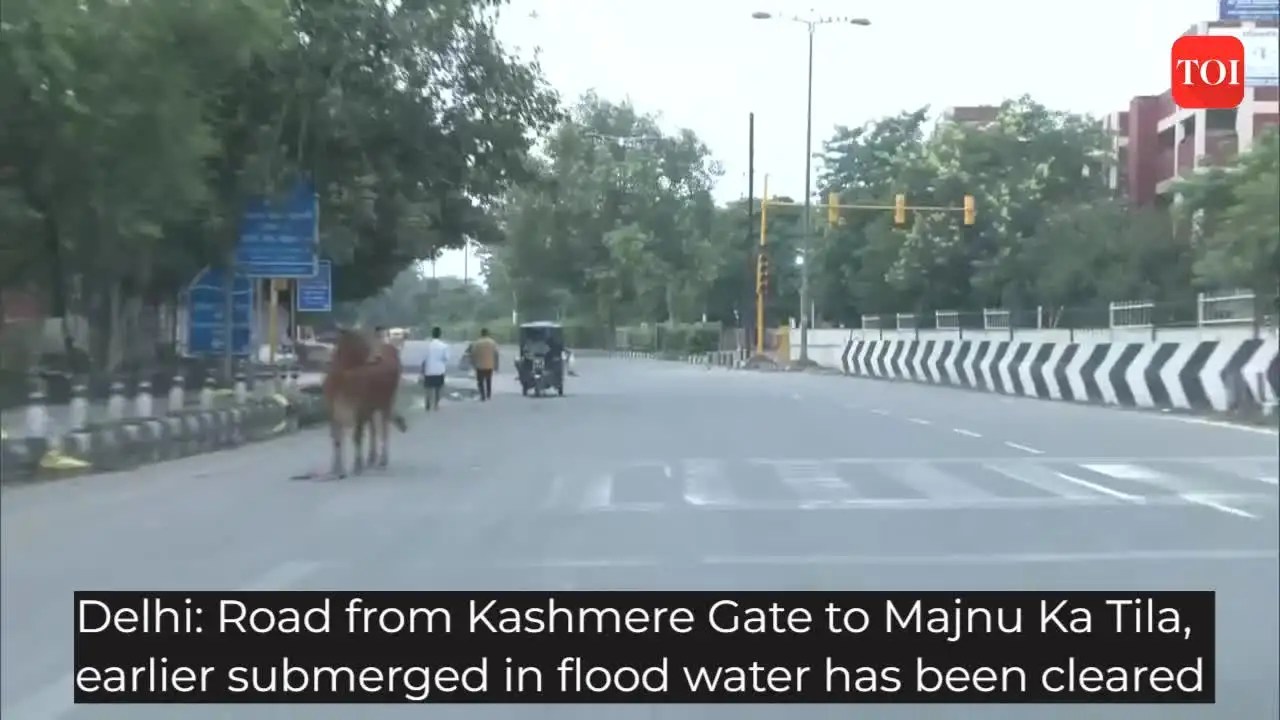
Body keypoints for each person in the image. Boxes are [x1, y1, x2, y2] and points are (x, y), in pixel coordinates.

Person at [420, 326, 450, 411]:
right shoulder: (444, 346)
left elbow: (423, 358)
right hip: (439, 370)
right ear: (440, 334)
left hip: (429, 369)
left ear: (432, 334)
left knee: (428, 388)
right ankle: (436, 404)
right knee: (438, 388)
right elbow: (446, 358)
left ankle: (427, 403)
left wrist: (422, 370)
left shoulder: (428, 346)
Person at [468, 327, 499, 401]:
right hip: (489, 365)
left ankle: (482, 395)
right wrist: (496, 365)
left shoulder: (477, 343)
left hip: (479, 365)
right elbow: (496, 354)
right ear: (488, 333)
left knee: (480, 381)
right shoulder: (492, 342)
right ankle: (488, 394)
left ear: (481, 333)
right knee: (488, 380)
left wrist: (473, 363)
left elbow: (473, 354)